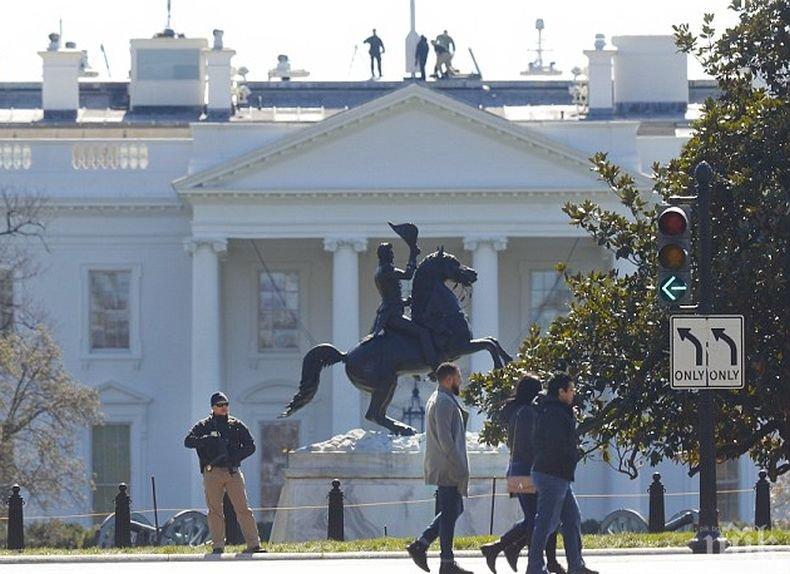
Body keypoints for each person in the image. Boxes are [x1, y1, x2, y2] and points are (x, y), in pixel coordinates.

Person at [479, 375, 565, 574]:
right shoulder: (527, 413)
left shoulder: (518, 411)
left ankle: (506, 548)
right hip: (526, 470)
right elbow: (528, 446)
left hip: (519, 469)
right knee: (543, 517)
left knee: (537, 517)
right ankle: (503, 548)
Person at [526, 374, 597, 574]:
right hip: (552, 474)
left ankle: (576, 565)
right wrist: (569, 458)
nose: (573, 393)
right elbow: (556, 445)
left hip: (559, 475)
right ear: (561, 391)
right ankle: (534, 567)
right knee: (546, 523)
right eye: (571, 389)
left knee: (572, 518)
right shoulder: (554, 413)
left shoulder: (559, 411)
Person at [407, 363, 473, 574]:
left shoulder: (439, 399)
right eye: (458, 376)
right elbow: (446, 439)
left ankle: (424, 545)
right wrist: (459, 465)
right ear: (448, 379)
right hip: (448, 467)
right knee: (450, 511)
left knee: (452, 510)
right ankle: (444, 561)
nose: (460, 380)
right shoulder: (443, 402)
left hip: (445, 465)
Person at [184, 392, 264, 554]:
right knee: (214, 510)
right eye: (220, 405)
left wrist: (235, 456)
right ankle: (218, 545)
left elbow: (251, 445)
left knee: (243, 508)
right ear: (213, 407)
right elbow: (188, 441)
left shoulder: (235, 425)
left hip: (232, 470)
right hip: (212, 471)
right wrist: (208, 440)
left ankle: (254, 544)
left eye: (226, 404)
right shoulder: (204, 425)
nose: (224, 407)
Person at [370, 241, 439, 370]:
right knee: (423, 332)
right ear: (385, 255)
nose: (393, 255)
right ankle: (434, 366)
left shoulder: (379, 271)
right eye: (390, 253)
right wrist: (413, 254)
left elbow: (390, 297)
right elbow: (408, 275)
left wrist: (406, 301)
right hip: (392, 316)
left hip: (389, 312)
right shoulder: (387, 269)